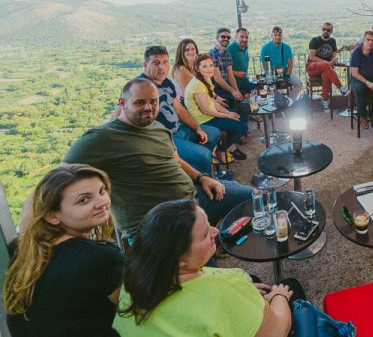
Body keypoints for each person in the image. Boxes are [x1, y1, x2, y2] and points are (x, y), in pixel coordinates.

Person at [63, 78, 253, 237]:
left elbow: (175, 159)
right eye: (140, 102)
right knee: (199, 266)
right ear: (122, 103)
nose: (148, 107)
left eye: (153, 102)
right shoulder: (101, 138)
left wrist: (201, 177)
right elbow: (60, 178)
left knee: (254, 196)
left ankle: (213, 235)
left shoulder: (158, 128)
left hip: (192, 198)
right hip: (157, 223)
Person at [113, 199, 305, 336]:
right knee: (290, 285)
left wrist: (245, 295)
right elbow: (276, 331)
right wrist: (279, 296)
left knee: (255, 281)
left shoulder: (131, 285)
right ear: (179, 259)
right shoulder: (226, 287)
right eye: (205, 234)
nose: (215, 231)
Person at [4, 163, 124, 337]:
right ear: (52, 216)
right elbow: (138, 310)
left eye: (101, 191)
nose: (102, 203)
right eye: (83, 200)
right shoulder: (102, 258)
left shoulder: (26, 256)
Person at [134, 45, 221, 175]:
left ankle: (194, 171)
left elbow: (180, 109)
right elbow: (122, 115)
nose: (162, 67)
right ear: (145, 65)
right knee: (202, 155)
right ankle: (202, 179)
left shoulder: (166, 82)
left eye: (165, 62)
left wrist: (197, 128)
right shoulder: (138, 87)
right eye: (156, 63)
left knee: (214, 133)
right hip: (164, 139)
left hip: (180, 129)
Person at [185, 53, 248, 162]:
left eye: (211, 65)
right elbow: (206, 110)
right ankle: (220, 149)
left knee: (240, 113)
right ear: (197, 69)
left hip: (210, 114)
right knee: (242, 127)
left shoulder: (206, 79)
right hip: (204, 120)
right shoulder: (197, 84)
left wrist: (228, 112)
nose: (209, 69)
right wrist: (227, 115)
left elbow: (212, 101)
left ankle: (228, 145)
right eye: (205, 66)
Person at [306, 22, 348, 111]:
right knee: (326, 65)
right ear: (321, 29)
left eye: (328, 30)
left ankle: (325, 100)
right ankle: (340, 86)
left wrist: (333, 60)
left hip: (325, 68)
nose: (326, 31)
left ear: (331, 31)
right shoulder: (315, 40)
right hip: (312, 67)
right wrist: (328, 63)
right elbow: (312, 57)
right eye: (324, 29)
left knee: (326, 75)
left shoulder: (332, 41)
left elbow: (333, 56)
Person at [350, 30, 373, 129]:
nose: (370, 42)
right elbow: (355, 73)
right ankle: (363, 116)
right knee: (360, 89)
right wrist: (367, 83)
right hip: (357, 78)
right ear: (363, 40)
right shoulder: (356, 52)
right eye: (368, 40)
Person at [260, 25, 302, 100]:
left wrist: (285, 78)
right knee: (272, 89)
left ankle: (289, 101)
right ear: (271, 36)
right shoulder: (265, 48)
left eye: (279, 35)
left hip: (285, 72)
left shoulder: (287, 47)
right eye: (275, 35)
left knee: (299, 84)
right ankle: (278, 103)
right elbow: (264, 67)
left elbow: (290, 65)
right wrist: (273, 77)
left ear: (282, 36)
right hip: (271, 74)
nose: (277, 37)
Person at [208, 27, 245, 106]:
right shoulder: (213, 54)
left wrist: (237, 91)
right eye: (223, 37)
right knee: (235, 99)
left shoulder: (227, 55)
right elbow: (218, 79)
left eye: (228, 37)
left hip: (224, 86)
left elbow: (230, 75)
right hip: (215, 88)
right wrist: (233, 92)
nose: (226, 39)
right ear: (217, 38)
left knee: (245, 93)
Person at [226, 27, 258, 95]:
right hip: (234, 82)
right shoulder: (230, 49)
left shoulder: (245, 47)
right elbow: (223, 70)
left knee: (259, 86)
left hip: (244, 79)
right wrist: (237, 73)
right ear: (235, 37)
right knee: (248, 94)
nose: (245, 39)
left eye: (246, 37)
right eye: (242, 37)